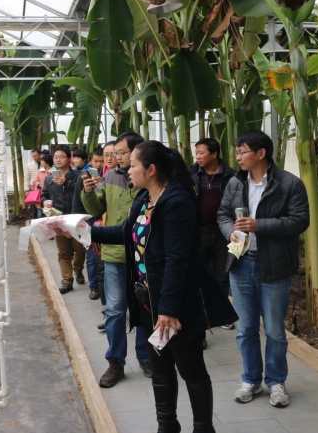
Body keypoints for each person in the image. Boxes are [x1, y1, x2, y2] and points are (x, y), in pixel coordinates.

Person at [89, 140, 237, 433]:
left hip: (177, 305)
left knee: (191, 371)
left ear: (151, 169)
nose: (127, 169)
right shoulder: (144, 199)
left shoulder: (177, 202)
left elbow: (177, 260)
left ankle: (203, 428)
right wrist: (83, 230)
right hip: (150, 303)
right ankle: (167, 426)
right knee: (160, 371)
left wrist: (168, 310)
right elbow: (124, 233)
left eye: (133, 164)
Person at [217, 129, 309, 408]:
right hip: (241, 262)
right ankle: (250, 379)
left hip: (274, 265)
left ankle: (276, 381)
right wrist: (230, 233)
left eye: (242, 152)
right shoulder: (235, 183)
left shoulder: (290, 184)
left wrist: (259, 226)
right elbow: (223, 215)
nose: (238, 157)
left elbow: (299, 220)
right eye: (237, 152)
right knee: (245, 328)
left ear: (261, 153)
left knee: (274, 330)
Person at [81, 132, 152, 387]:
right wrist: (88, 193)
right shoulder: (110, 176)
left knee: (144, 307)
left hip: (141, 256)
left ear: (136, 152)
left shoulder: (146, 180)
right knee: (114, 311)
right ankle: (115, 362)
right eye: (114, 153)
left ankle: (146, 357)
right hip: (113, 255)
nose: (117, 157)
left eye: (121, 153)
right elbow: (95, 209)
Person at [189, 137, 236, 334]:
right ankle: (202, 314)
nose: (198, 156)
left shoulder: (231, 176)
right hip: (199, 231)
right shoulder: (191, 174)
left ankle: (221, 313)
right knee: (199, 273)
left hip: (223, 233)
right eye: (196, 153)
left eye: (202, 153)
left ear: (214, 154)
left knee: (222, 274)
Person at [42, 145, 85, 294]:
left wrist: (65, 182)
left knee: (79, 249)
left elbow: (82, 192)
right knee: (63, 252)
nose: (58, 159)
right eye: (56, 157)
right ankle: (67, 281)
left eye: (61, 157)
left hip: (76, 217)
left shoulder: (78, 176)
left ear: (69, 159)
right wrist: (45, 202)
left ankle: (78, 269)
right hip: (58, 218)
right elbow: (44, 195)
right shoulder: (49, 179)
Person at [73, 146, 106, 300]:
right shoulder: (84, 177)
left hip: (106, 223)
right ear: (90, 161)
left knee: (103, 260)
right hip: (89, 223)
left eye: (101, 161)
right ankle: (94, 287)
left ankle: (103, 288)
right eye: (96, 161)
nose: (99, 164)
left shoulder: (111, 176)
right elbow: (77, 202)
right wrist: (77, 223)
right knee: (92, 257)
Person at [32, 154, 53, 219]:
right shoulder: (40, 171)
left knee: (50, 216)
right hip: (41, 195)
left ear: (47, 162)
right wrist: (39, 184)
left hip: (51, 196)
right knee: (39, 215)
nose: (41, 162)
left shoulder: (54, 171)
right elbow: (35, 181)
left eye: (42, 161)